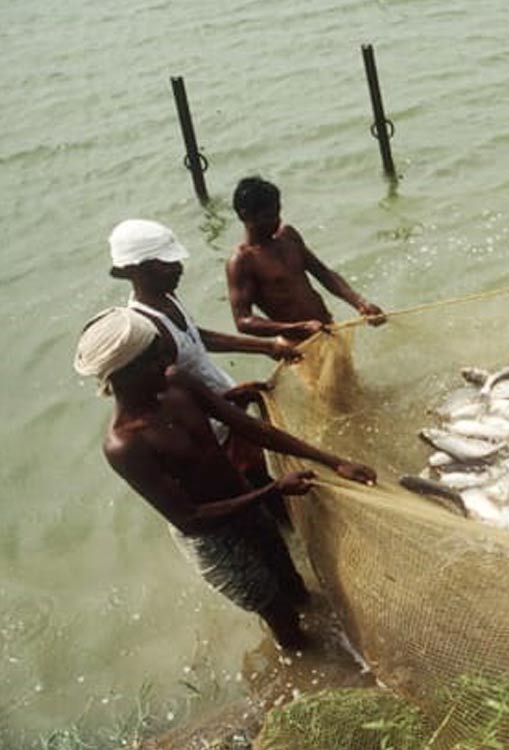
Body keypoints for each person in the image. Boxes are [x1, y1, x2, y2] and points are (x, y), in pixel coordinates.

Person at [74, 307, 377, 650]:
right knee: (278, 614)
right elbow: (190, 519)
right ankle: (308, 664)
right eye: (156, 354)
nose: (168, 357)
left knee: (293, 583)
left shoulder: (176, 382)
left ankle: (340, 649)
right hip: (216, 541)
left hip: (247, 501)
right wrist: (273, 490)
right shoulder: (125, 444)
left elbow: (247, 426)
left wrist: (333, 461)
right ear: (127, 373)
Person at [109, 218, 300, 522]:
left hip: (229, 409)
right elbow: (168, 394)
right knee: (258, 501)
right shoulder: (146, 332)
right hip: (212, 431)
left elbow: (197, 337)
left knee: (272, 490)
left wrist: (266, 347)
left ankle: (292, 533)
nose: (178, 268)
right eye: (166, 264)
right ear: (136, 270)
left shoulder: (165, 295)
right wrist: (226, 402)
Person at [226, 176, 386, 342]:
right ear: (246, 215)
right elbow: (243, 321)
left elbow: (324, 274)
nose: (277, 220)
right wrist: (298, 328)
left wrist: (360, 303)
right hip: (298, 345)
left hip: (328, 329)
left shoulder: (288, 236)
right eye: (269, 216)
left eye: (278, 212)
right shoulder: (242, 261)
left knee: (349, 369)